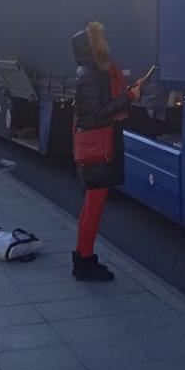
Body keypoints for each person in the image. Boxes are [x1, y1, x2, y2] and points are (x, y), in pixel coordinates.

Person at [71, 22, 141, 282]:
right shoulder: (91, 75)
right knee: (94, 204)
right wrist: (129, 97)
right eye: (100, 41)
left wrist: (125, 94)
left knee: (92, 205)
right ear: (91, 48)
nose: (106, 45)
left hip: (96, 141)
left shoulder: (89, 72)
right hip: (97, 143)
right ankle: (84, 260)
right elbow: (97, 113)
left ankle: (83, 255)